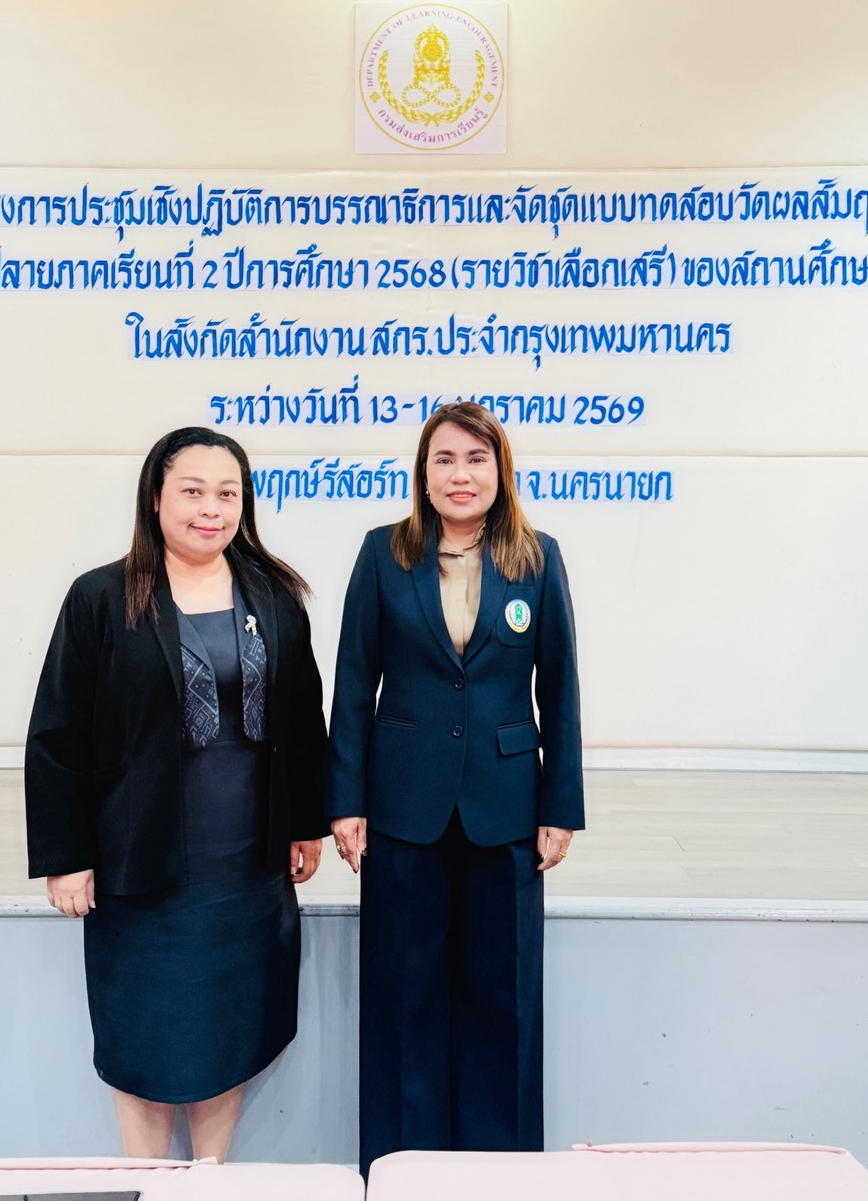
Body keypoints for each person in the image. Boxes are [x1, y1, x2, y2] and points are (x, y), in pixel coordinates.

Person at [25, 426, 328, 1162]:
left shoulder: (275, 597)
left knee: (229, 1033)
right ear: (156, 498)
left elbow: (302, 719)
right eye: (193, 491)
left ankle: (208, 1179)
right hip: (141, 869)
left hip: (245, 870)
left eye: (227, 494)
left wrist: (305, 824)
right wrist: (65, 857)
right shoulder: (102, 597)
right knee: (144, 1041)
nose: (210, 509)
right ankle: (150, 1180)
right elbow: (57, 732)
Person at [326, 401, 584, 1176]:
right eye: (444, 459)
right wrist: (346, 800)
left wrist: (560, 806)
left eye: (476, 459)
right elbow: (353, 683)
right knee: (403, 1000)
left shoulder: (537, 557)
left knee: (503, 1001)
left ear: (500, 471)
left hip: (507, 807)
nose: (460, 474)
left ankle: (500, 1179)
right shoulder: (384, 554)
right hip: (403, 805)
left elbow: (560, 689)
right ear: (423, 473)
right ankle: (401, 1172)